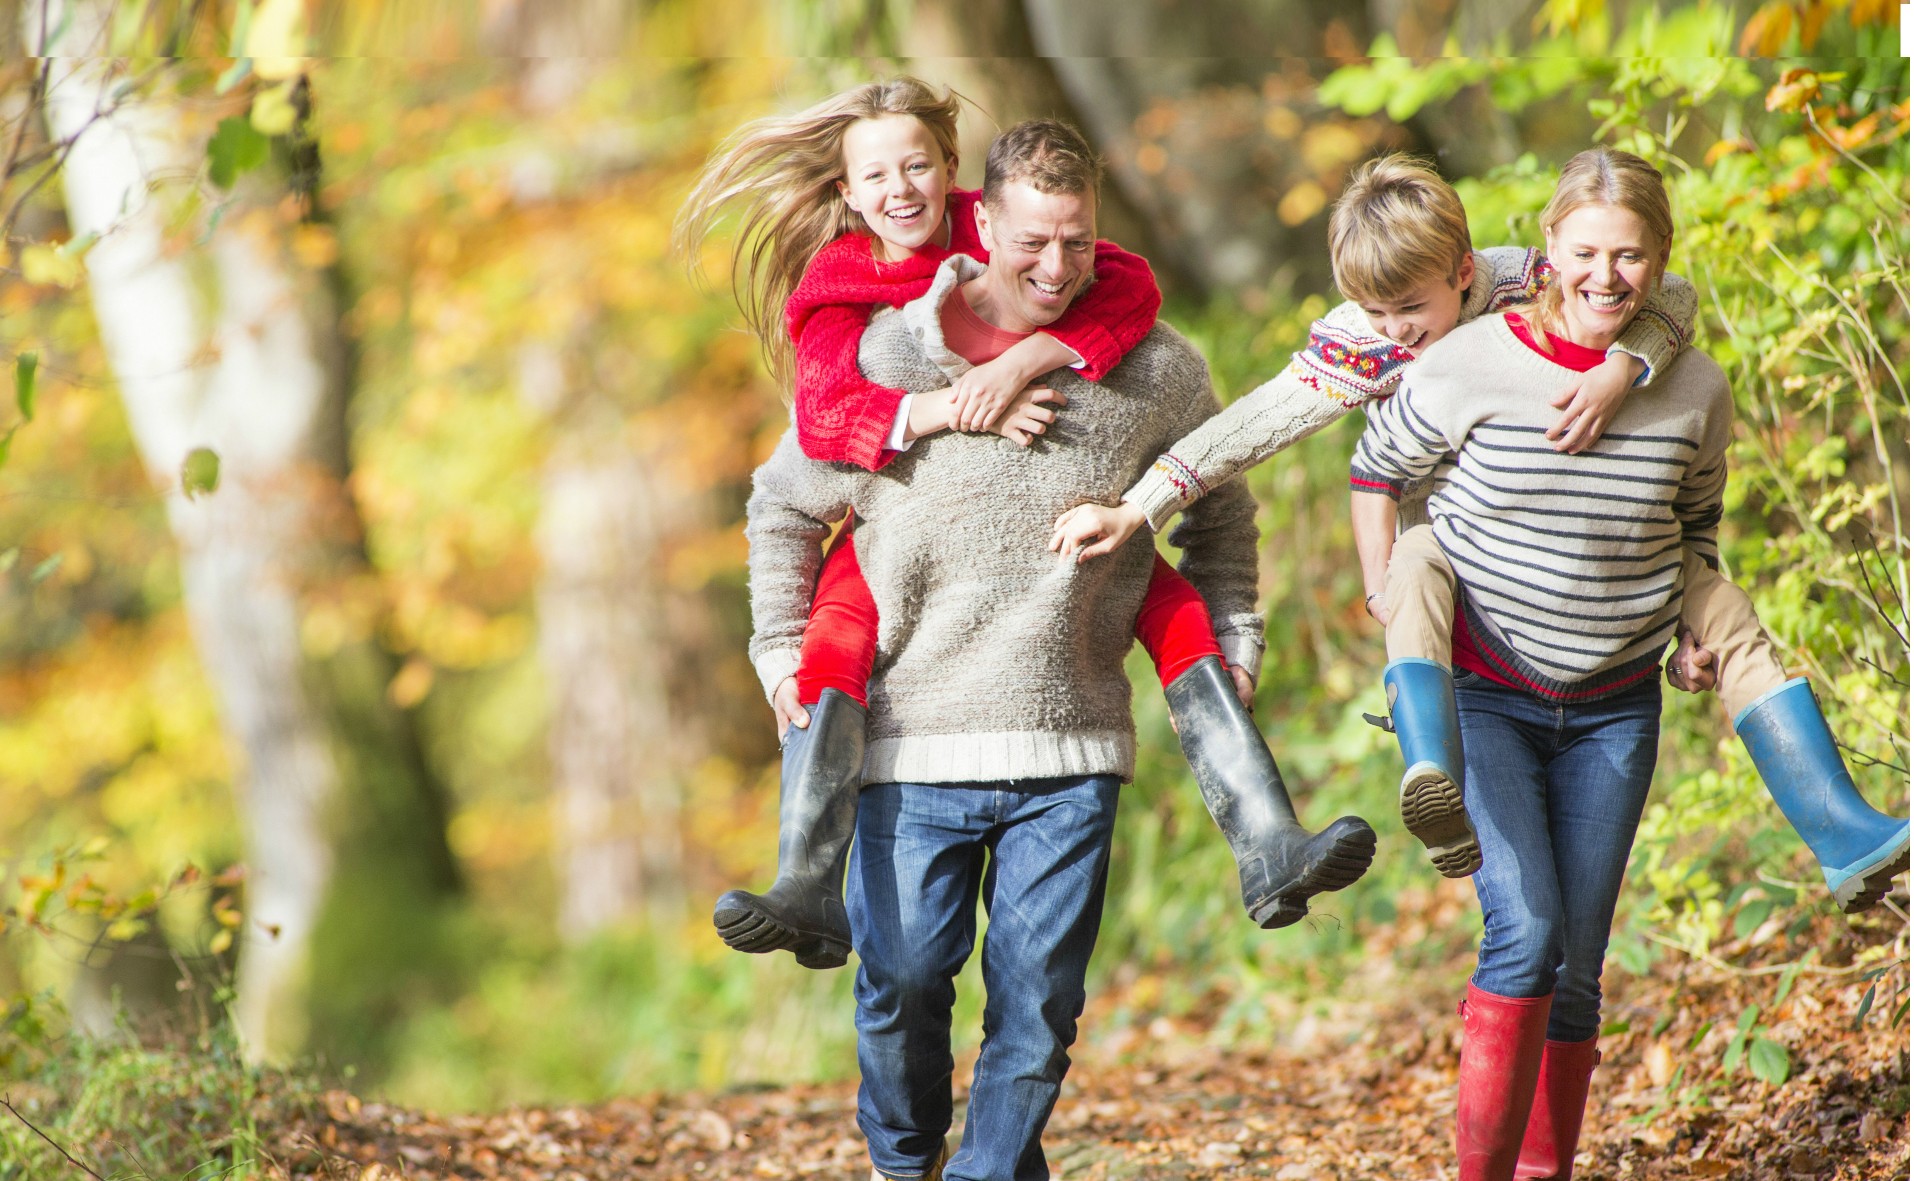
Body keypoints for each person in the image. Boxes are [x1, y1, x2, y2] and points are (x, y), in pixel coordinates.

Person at [678, 79, 1374, 973]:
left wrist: (1035, 356)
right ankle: (807, 877)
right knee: (837, 636)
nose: (903, 191)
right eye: (878, 175)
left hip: (1084, 525)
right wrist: (958, 407)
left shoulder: (998, 224)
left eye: (919, 165)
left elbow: (1129, 284)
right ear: (846, 193)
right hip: (892, 501)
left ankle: (1270, 840)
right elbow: (820, 428)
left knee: (1172, 605)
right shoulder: (841, 289)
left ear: (952, 169)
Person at [1346, 147, 1901, 1181]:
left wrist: (1690, 628)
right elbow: (1376, 468)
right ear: (1547, 251)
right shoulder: (1465, 361)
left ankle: (1844, 828)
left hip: (1613, 704)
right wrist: (1387, 594)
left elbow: (1697, 530)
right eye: (1587, 251)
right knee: (1527, 934)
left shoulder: (1694, 388)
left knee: (1578, 975)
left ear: (1661, 262)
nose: (1608, 276)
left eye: (1632, 256)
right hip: (1492, 687)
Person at [744, 119, 1268, 1181]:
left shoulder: (1159, 371)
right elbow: (784, 502)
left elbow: (1222, 512)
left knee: (1038, 1004)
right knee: (902, 985)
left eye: (1077, 241)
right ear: (982, 227)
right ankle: (903, 1161)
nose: (1056, 266)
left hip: (1068, 752)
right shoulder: (887, 354)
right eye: (1033, 240)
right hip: (908, 748)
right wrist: (780, 643)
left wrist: (1237, 631)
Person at [1051, 154, 1697, 877]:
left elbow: (1669, 296)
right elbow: (1252, 425)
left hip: (1572, 531)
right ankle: (1431, 769)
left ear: (1461, 272)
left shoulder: (1528, 282)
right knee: (1416, 571)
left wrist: (1622, 368)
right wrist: (1140, 507)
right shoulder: (1365, 342)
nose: (1396, 330)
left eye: (1411, 310)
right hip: (1459, 553)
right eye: (1378, 313)